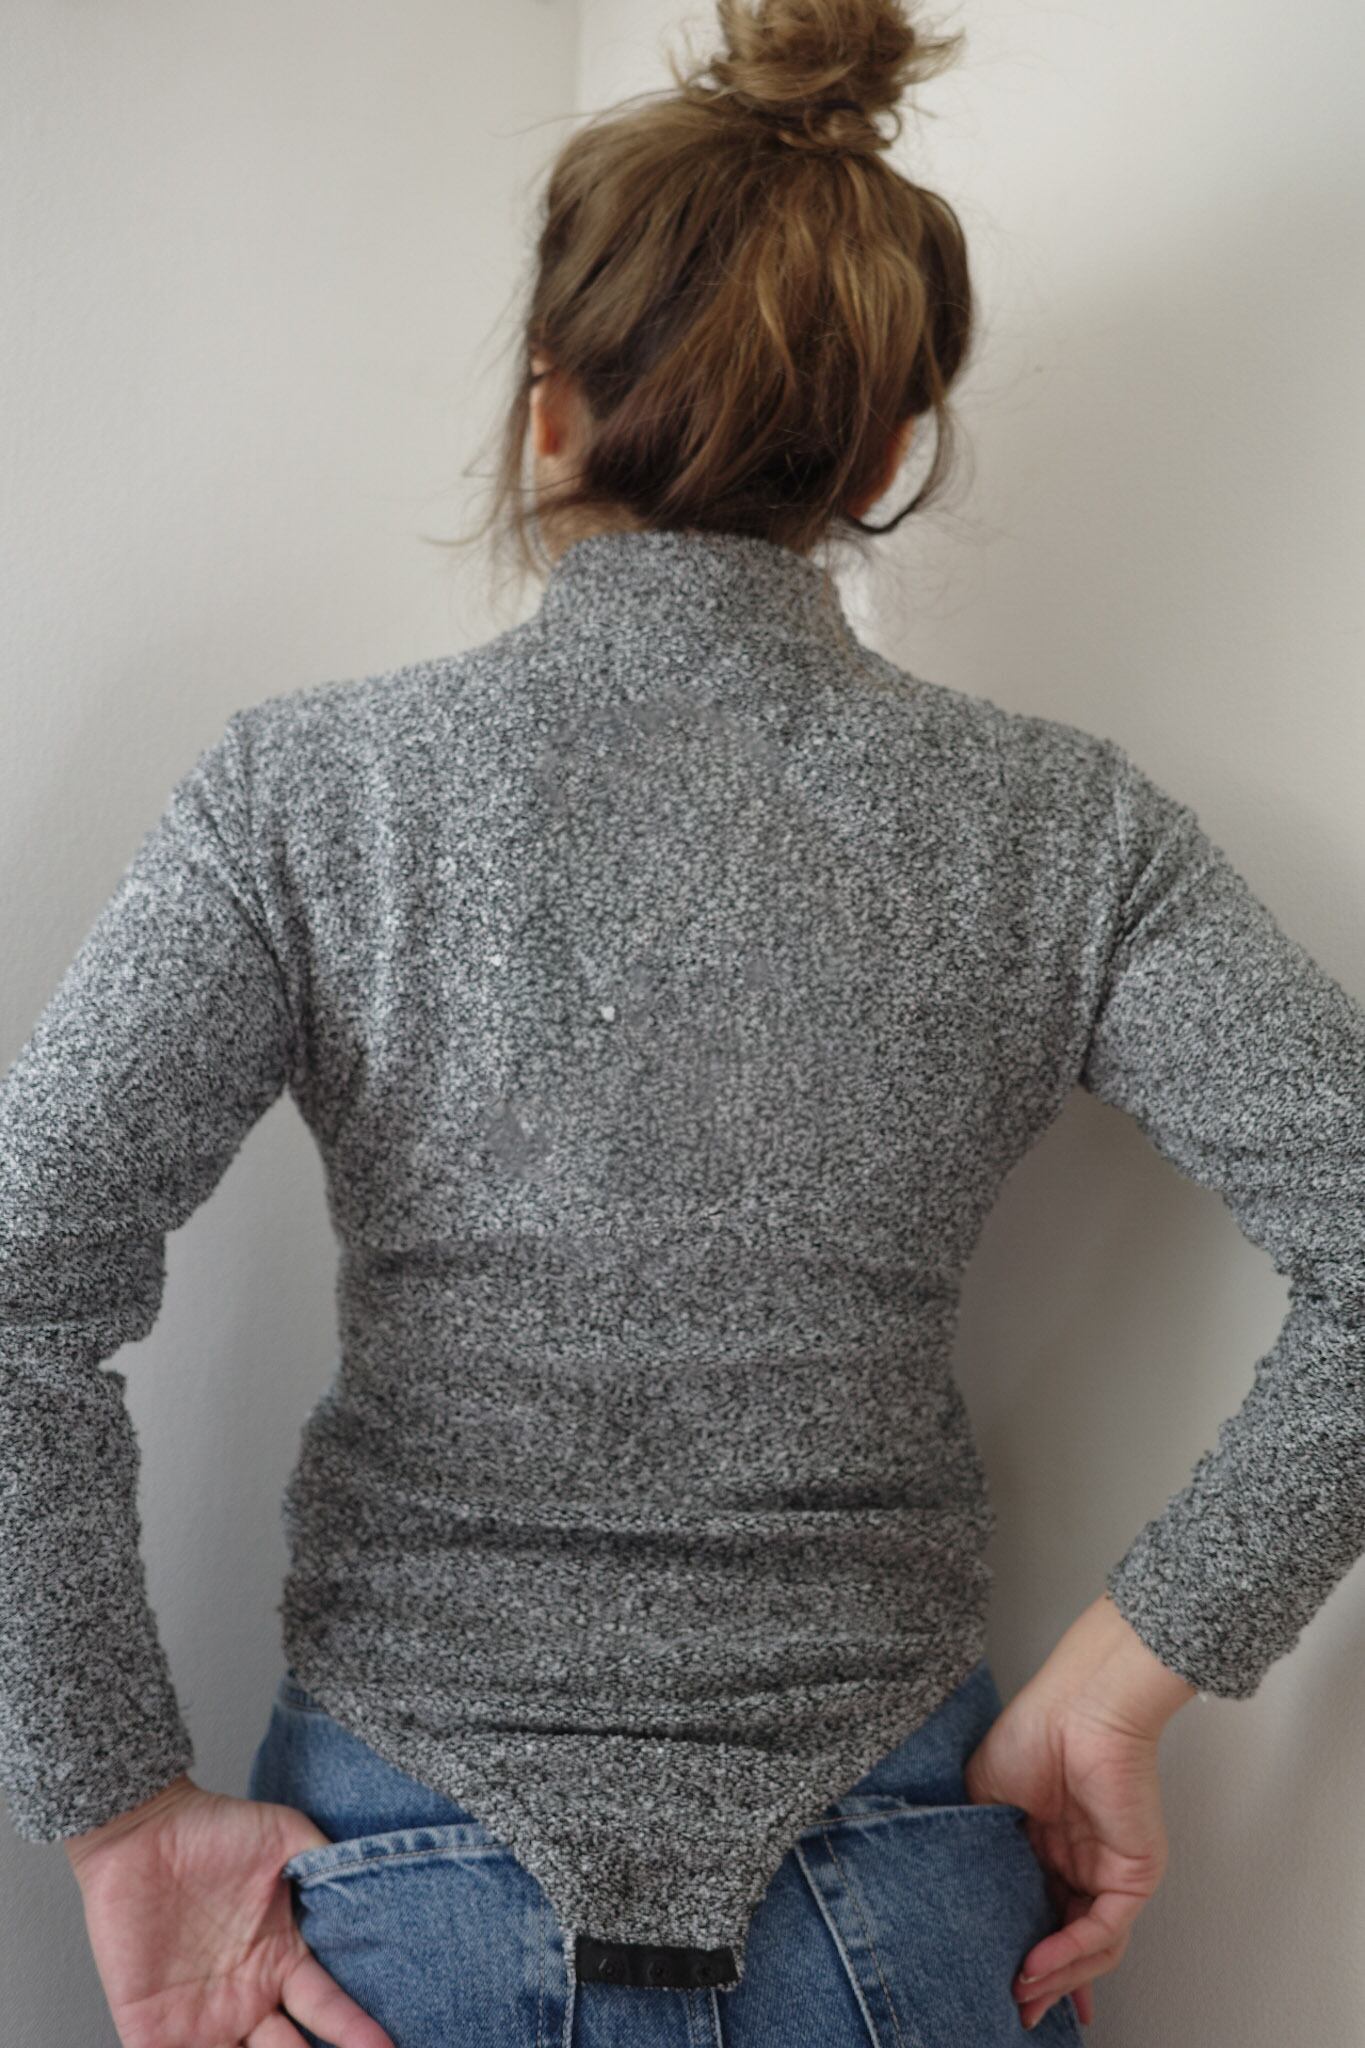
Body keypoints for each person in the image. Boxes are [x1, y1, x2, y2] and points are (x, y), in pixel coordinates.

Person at [3, 1, 1362, 2044]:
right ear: (888, 453)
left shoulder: (310, 797)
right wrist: (1130, 1669)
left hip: (399, 1890)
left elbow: (16, 1271)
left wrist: (112, 1803)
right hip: (908, 1888)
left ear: (548, 412)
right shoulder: (1063, 830)